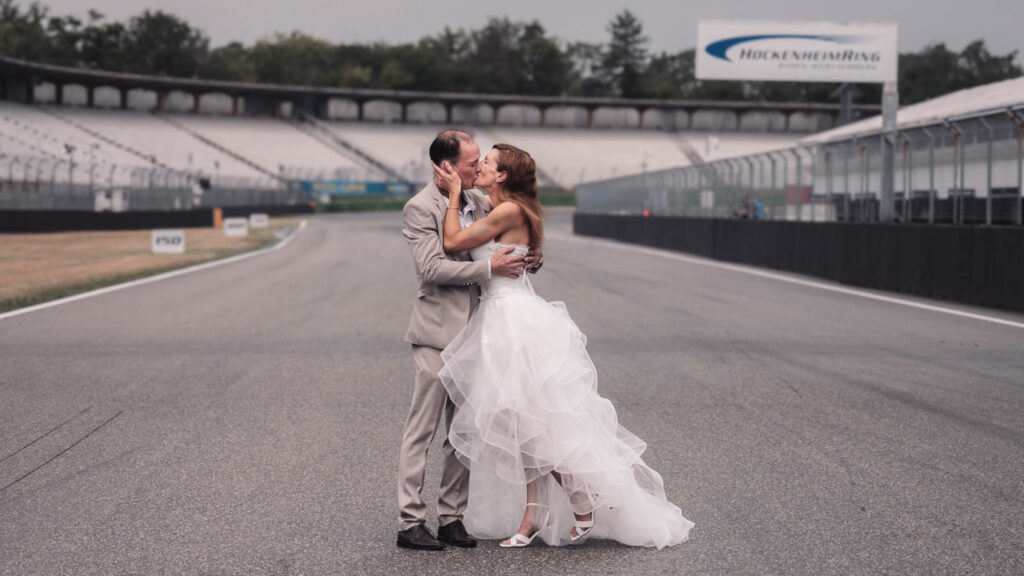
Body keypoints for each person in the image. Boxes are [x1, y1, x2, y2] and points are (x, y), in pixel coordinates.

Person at [433, 143, 694, 549]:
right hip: (504, 316)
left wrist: (452, 196)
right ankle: (536, 513)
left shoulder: (508, 211)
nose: (480, 163)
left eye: (488, 162)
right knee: (522, 423)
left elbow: (452, 242)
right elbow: (487, 209)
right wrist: (462, 190)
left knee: (531, 423)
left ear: (502, 175)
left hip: (513, 321)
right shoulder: (506, 205)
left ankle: (577, 493)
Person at [396, 130, 543, 551]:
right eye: (469, 163)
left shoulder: (479, 200)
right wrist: (489, 270)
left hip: (482, 333)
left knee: (463, 432)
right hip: (436, 333)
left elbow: (510, 231)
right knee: (421, 431)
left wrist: (530, 255)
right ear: (447, 167)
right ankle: (409, 522)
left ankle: (451, 518)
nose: (477, 168)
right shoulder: (420, 207)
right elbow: (431, 268)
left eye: (481, 162)